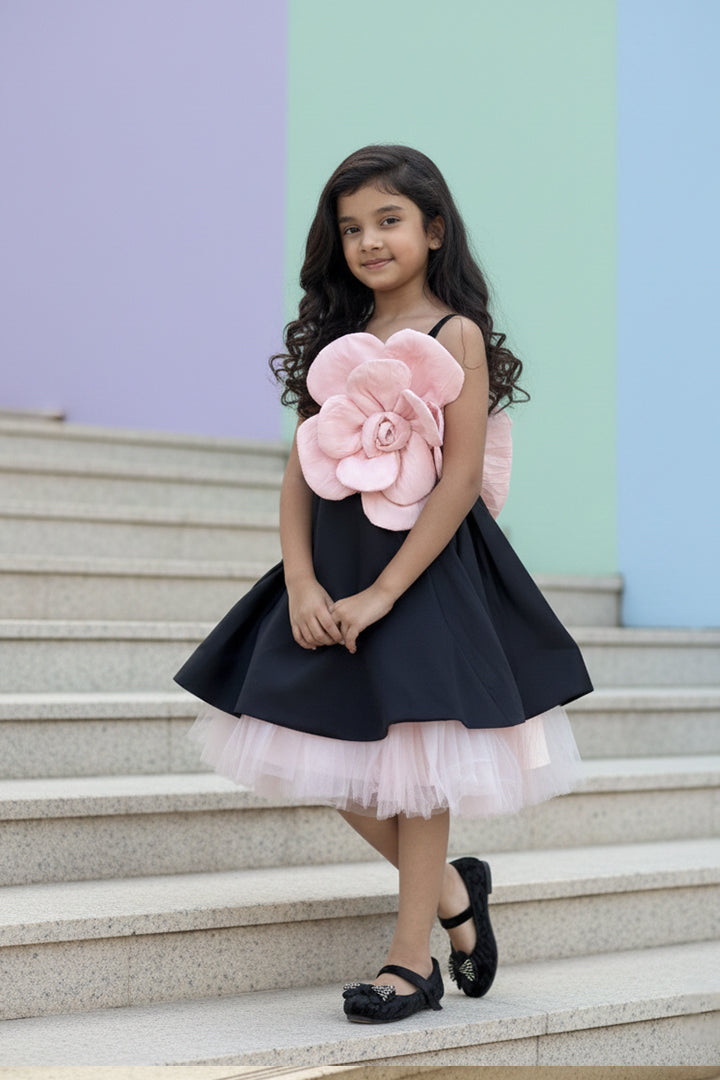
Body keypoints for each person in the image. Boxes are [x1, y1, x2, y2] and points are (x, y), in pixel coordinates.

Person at [174, 144, 593, 1024]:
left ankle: (412, 964)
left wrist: (385, 594)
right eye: (351, 227)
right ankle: (450, 892)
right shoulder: (334, 342)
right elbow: (299, 471)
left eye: (389, 220)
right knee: (318, 751)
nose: (368, 240)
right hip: (333, 567)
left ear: (434, 231)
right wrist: (300, 581)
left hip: (423, 577)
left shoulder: (457, 337)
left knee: (419, 767)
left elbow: (458, 478)